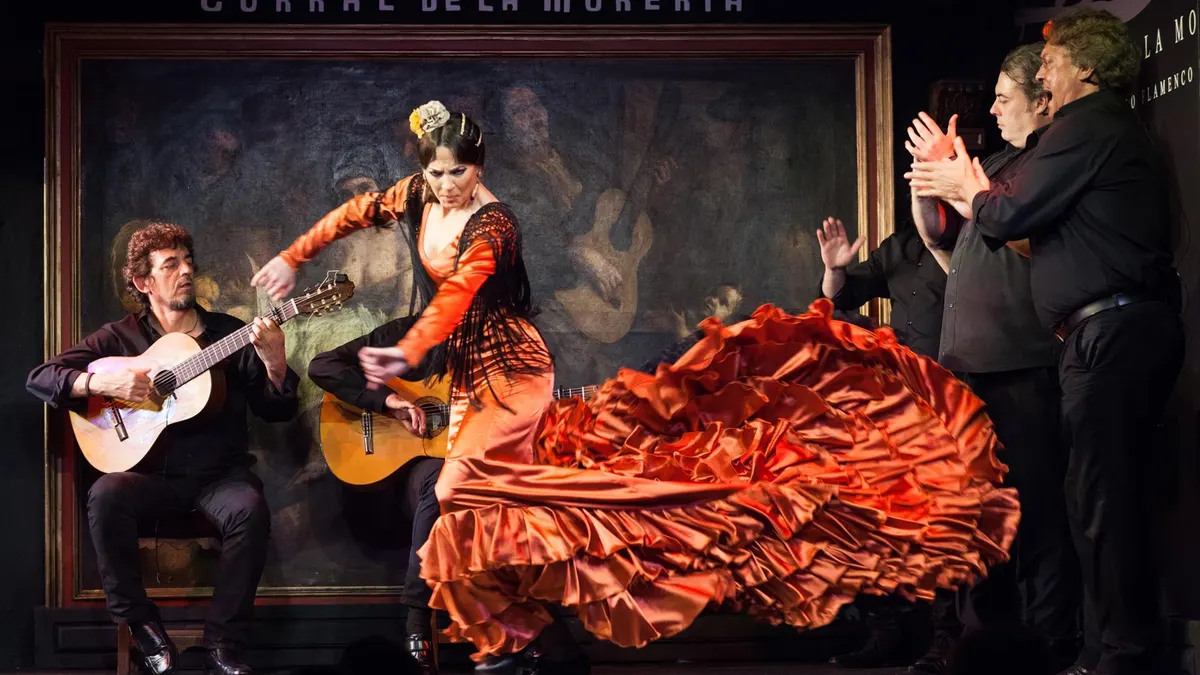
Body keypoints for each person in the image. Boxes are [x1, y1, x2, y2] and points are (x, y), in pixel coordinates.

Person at [253, 101, 1021, 675]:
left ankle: (513, 636)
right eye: (436, 173)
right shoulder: (418, 217)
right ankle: (506, 637)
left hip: (512, 386)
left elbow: (467, 309)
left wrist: (415, 352)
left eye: (459, 172)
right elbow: (352, 235)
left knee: (475, 493)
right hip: (455, 395)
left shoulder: (498, 246)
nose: (446, 186)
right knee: (481, 504)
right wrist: (299, 265)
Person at [907, 9, 1183, 675]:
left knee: (1099, 505)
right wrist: (962, 189)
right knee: (1094, 501)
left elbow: (1008, 214)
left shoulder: (1087, 125)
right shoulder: (1092, 130)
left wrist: (966, 185)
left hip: (1104, 336)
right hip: (1098, 335)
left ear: (1083, 67)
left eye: (1050, 66)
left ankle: (1118, 654)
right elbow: (997, 225)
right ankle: (1108, 651)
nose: (1045, 81)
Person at [26, 221, 300, 675]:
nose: (186, 271)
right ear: (143, 283)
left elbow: (278, 411)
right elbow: (40, 378)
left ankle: (223, 643)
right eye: (170, 265)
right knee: (106, 494)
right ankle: (142, 626)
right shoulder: (119, 338)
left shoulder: (230, 334)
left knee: (249, 509)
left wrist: (275, 365)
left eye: (187, 261)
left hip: (219, 478)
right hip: (151, 480)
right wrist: (101, 383)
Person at [906, 42, 1082, 674]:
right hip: (968, 369)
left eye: (1006, 98)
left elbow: (1026, 237)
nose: (995, 110)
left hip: (1022, 363)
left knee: (1036, 513)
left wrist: (961, 183)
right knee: (978, 516)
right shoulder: (1000, 163)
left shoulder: (1051, 160)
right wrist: (930, 179)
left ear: (1042, 98)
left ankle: (1050, 648)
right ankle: (981, 648)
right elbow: (939, 235)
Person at [307, 315, 445, 675]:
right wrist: (389, 401)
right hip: (399, 481)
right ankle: (418, 621)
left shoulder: (502, 346)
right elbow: (324, 366)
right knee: (441, 480)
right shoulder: (411, 331)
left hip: (475, 476)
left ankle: (529, 637)